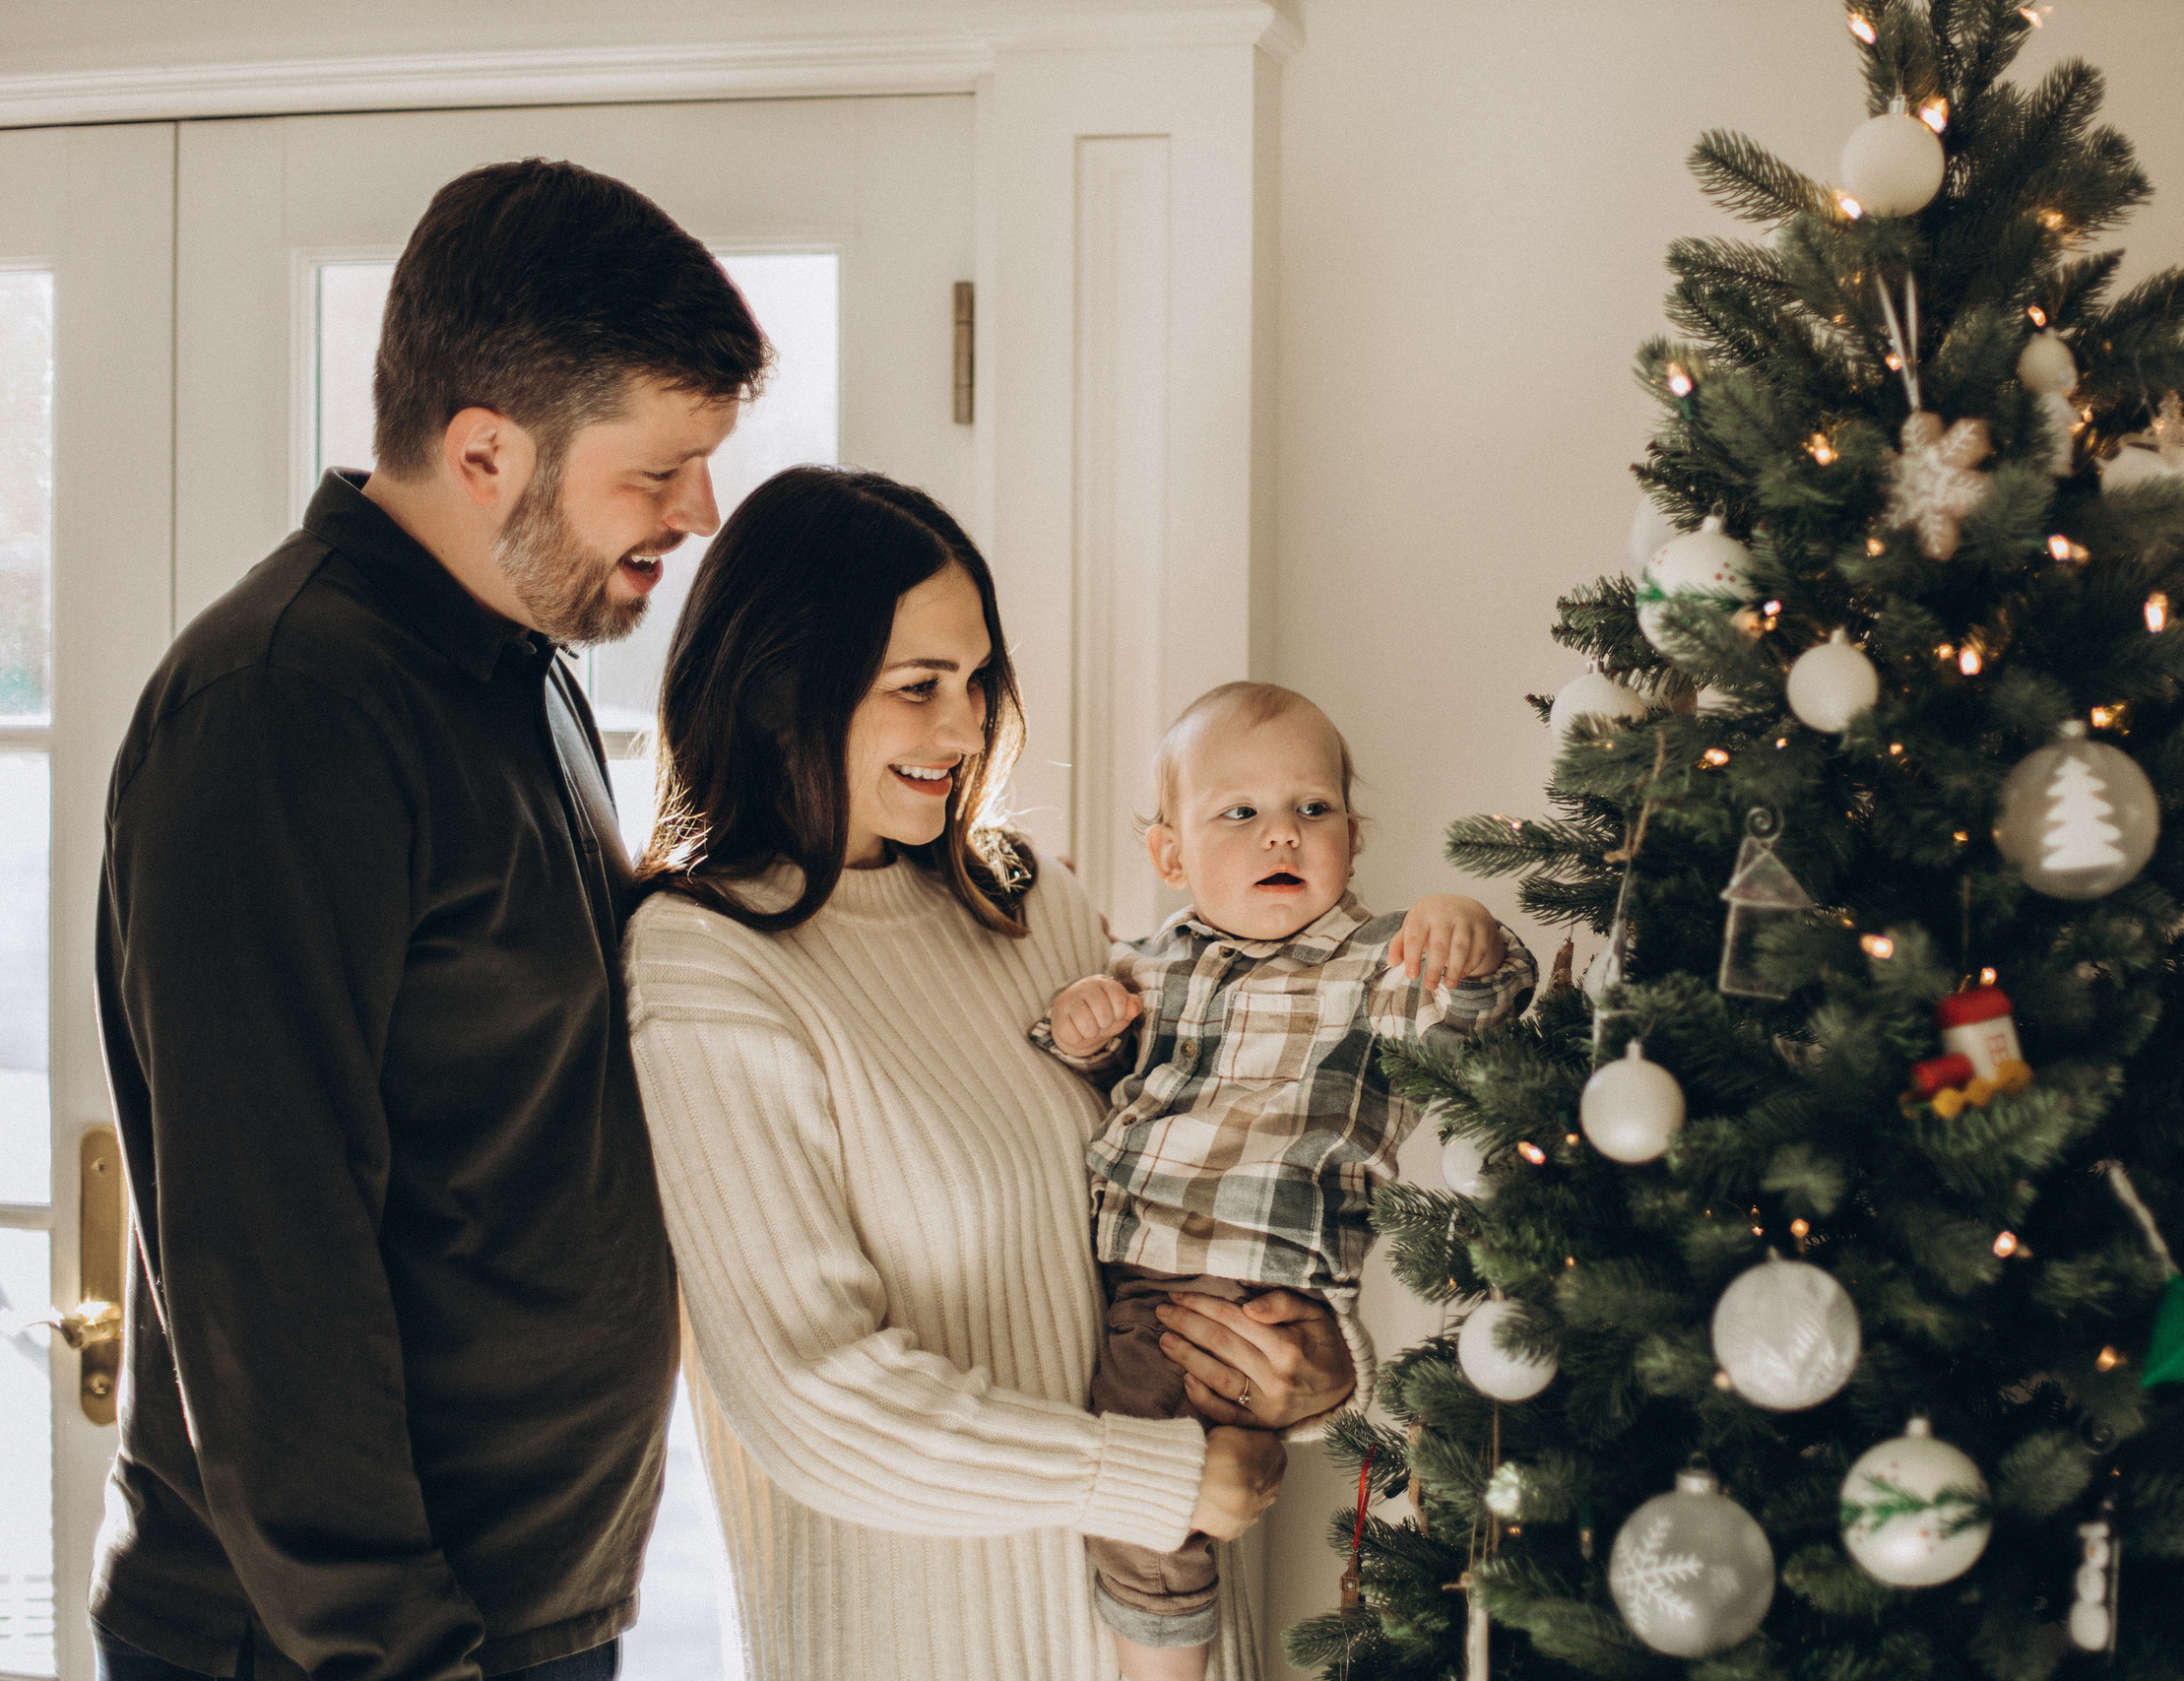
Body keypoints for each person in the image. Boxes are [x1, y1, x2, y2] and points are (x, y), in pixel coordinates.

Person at [92, 160, 766, 1681]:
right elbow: (268, 1261)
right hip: (340, 1645)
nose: (699, 511)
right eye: (657, 470)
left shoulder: (524, 669)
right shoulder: (279, 711)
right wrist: (403, 1653)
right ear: (484, 451)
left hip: (526, 1608)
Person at [622, 466, 1356, 1681]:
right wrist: (1147, 1474)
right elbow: (813, 1401)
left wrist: (1310, 1364)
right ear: (783, 692)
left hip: (1158, 1641)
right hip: (920, 1645)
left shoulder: (1029, 901)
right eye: (919, 688)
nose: (966, 731)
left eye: (976, 682)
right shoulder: (708, 964)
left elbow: (1221, 1165)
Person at [1033, 681, 1537, 1679]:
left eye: (1312, 810)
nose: (1281, 838)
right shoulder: (1145, 966)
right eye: (1240, 814)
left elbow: (1486, 1010)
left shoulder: (1378, 963)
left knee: (1150, 1501)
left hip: (1280, 1289)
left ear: (1353, 835)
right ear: (1168, 854)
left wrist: (1468, 931)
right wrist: (1085, 1024)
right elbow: (1096, 1083)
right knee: (1158, 1502)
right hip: (1145, 1288)